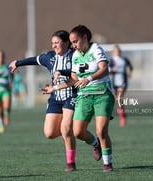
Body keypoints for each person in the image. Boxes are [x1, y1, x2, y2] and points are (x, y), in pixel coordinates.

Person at [42, 25, 115, 172]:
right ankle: (96, 145)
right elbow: (74, 80)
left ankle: (108, 164)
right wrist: (54, 88)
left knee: (101, 131)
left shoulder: (96, 49)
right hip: (84, 96)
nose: (74, 45)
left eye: (75, 42)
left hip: (101, 94)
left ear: (85, 38)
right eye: (72, 42)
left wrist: (89, 78)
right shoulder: (76, 56)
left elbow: (104, 69)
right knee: (77, 132)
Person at [9, 30, 77, 172]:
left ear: (66, 43)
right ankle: (71, 133)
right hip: (55, 97)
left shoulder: (75, 56)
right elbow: (35, 60)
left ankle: (71, 163)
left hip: (72, 96)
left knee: (65, 129)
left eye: (57, 43)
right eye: (52, 43)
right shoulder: (50, 57)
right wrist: (18, 63)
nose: (54, 46)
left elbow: (76, 76)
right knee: (49, 133)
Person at [109, 45, 133, 127]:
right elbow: (107, 70)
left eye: (118, 51)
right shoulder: (112, 60)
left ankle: (123, 117)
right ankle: (123, 114)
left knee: (119, 98)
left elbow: (130, 67)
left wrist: (129, 72)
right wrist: (112, 70)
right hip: (115, 83)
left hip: (123, 82)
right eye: (116, 51)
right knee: (118, 100)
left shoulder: (124, 60)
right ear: (114, 52)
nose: (117, 52)